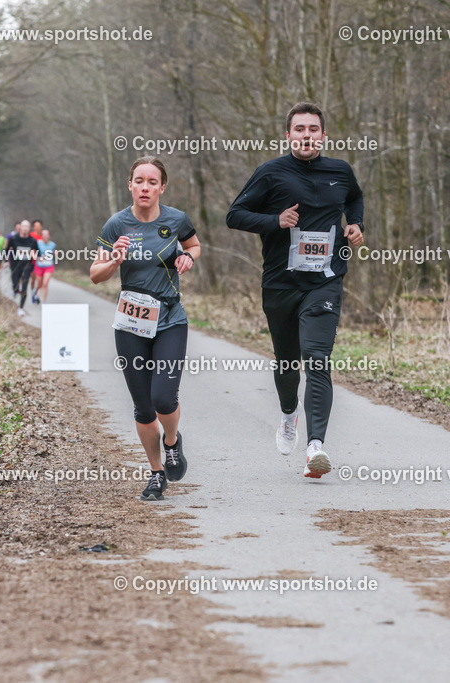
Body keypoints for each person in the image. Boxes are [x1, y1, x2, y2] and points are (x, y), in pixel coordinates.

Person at [226, 102, 365, 479]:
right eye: (299, 129)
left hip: (325, 281)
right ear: (288, 135)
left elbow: (354, 197)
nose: (307, 135)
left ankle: (315, 447)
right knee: (288, 363)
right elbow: (234, 215)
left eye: (313, 129)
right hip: (280, 284)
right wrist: (276, 220)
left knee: (316, 358)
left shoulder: (340, 171)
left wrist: (355, 224)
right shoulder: (270, 173)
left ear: (323, 134)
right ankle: (289, 414)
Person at [91, 156, 201, 501]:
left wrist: (189, 258)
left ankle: (172, 442)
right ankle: (156, 474)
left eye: (152, 182)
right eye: (139, 180)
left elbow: (194, 244)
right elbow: (95, 274)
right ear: (130, 185)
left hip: (169, 319)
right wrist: (114, 260)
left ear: (162, 187)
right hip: (131, 324)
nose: (145, 187)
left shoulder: (176, 220)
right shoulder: (116, 225)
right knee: (142, 407)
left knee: (164, 399)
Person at [7, 220, 38, 316]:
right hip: (15, 265)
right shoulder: (13, 239)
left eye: (27, 227)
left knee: (24, 288)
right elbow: (7, 250)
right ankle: (16, 289)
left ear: (29, 229)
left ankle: (21, 308)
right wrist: (5, 261)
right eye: (23, 226)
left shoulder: (32, 241)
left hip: (26, 266)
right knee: (15, 286)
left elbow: (37, 252)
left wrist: (37, 257)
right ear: (20, 228)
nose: (25, 228)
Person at [32, 228, 56, 304]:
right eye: (43, 235)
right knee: (39, 283)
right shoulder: (38, 243)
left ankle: (44, 301)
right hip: (39, 265)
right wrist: (36, 257)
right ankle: (37, 294)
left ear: (49, 236)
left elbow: (54, 253)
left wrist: (55, 254)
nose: (45, 236)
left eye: (46, 235)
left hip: (48, 265)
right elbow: (32, 252)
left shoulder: (52, 244)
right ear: (41, 236)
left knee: (45, 283)